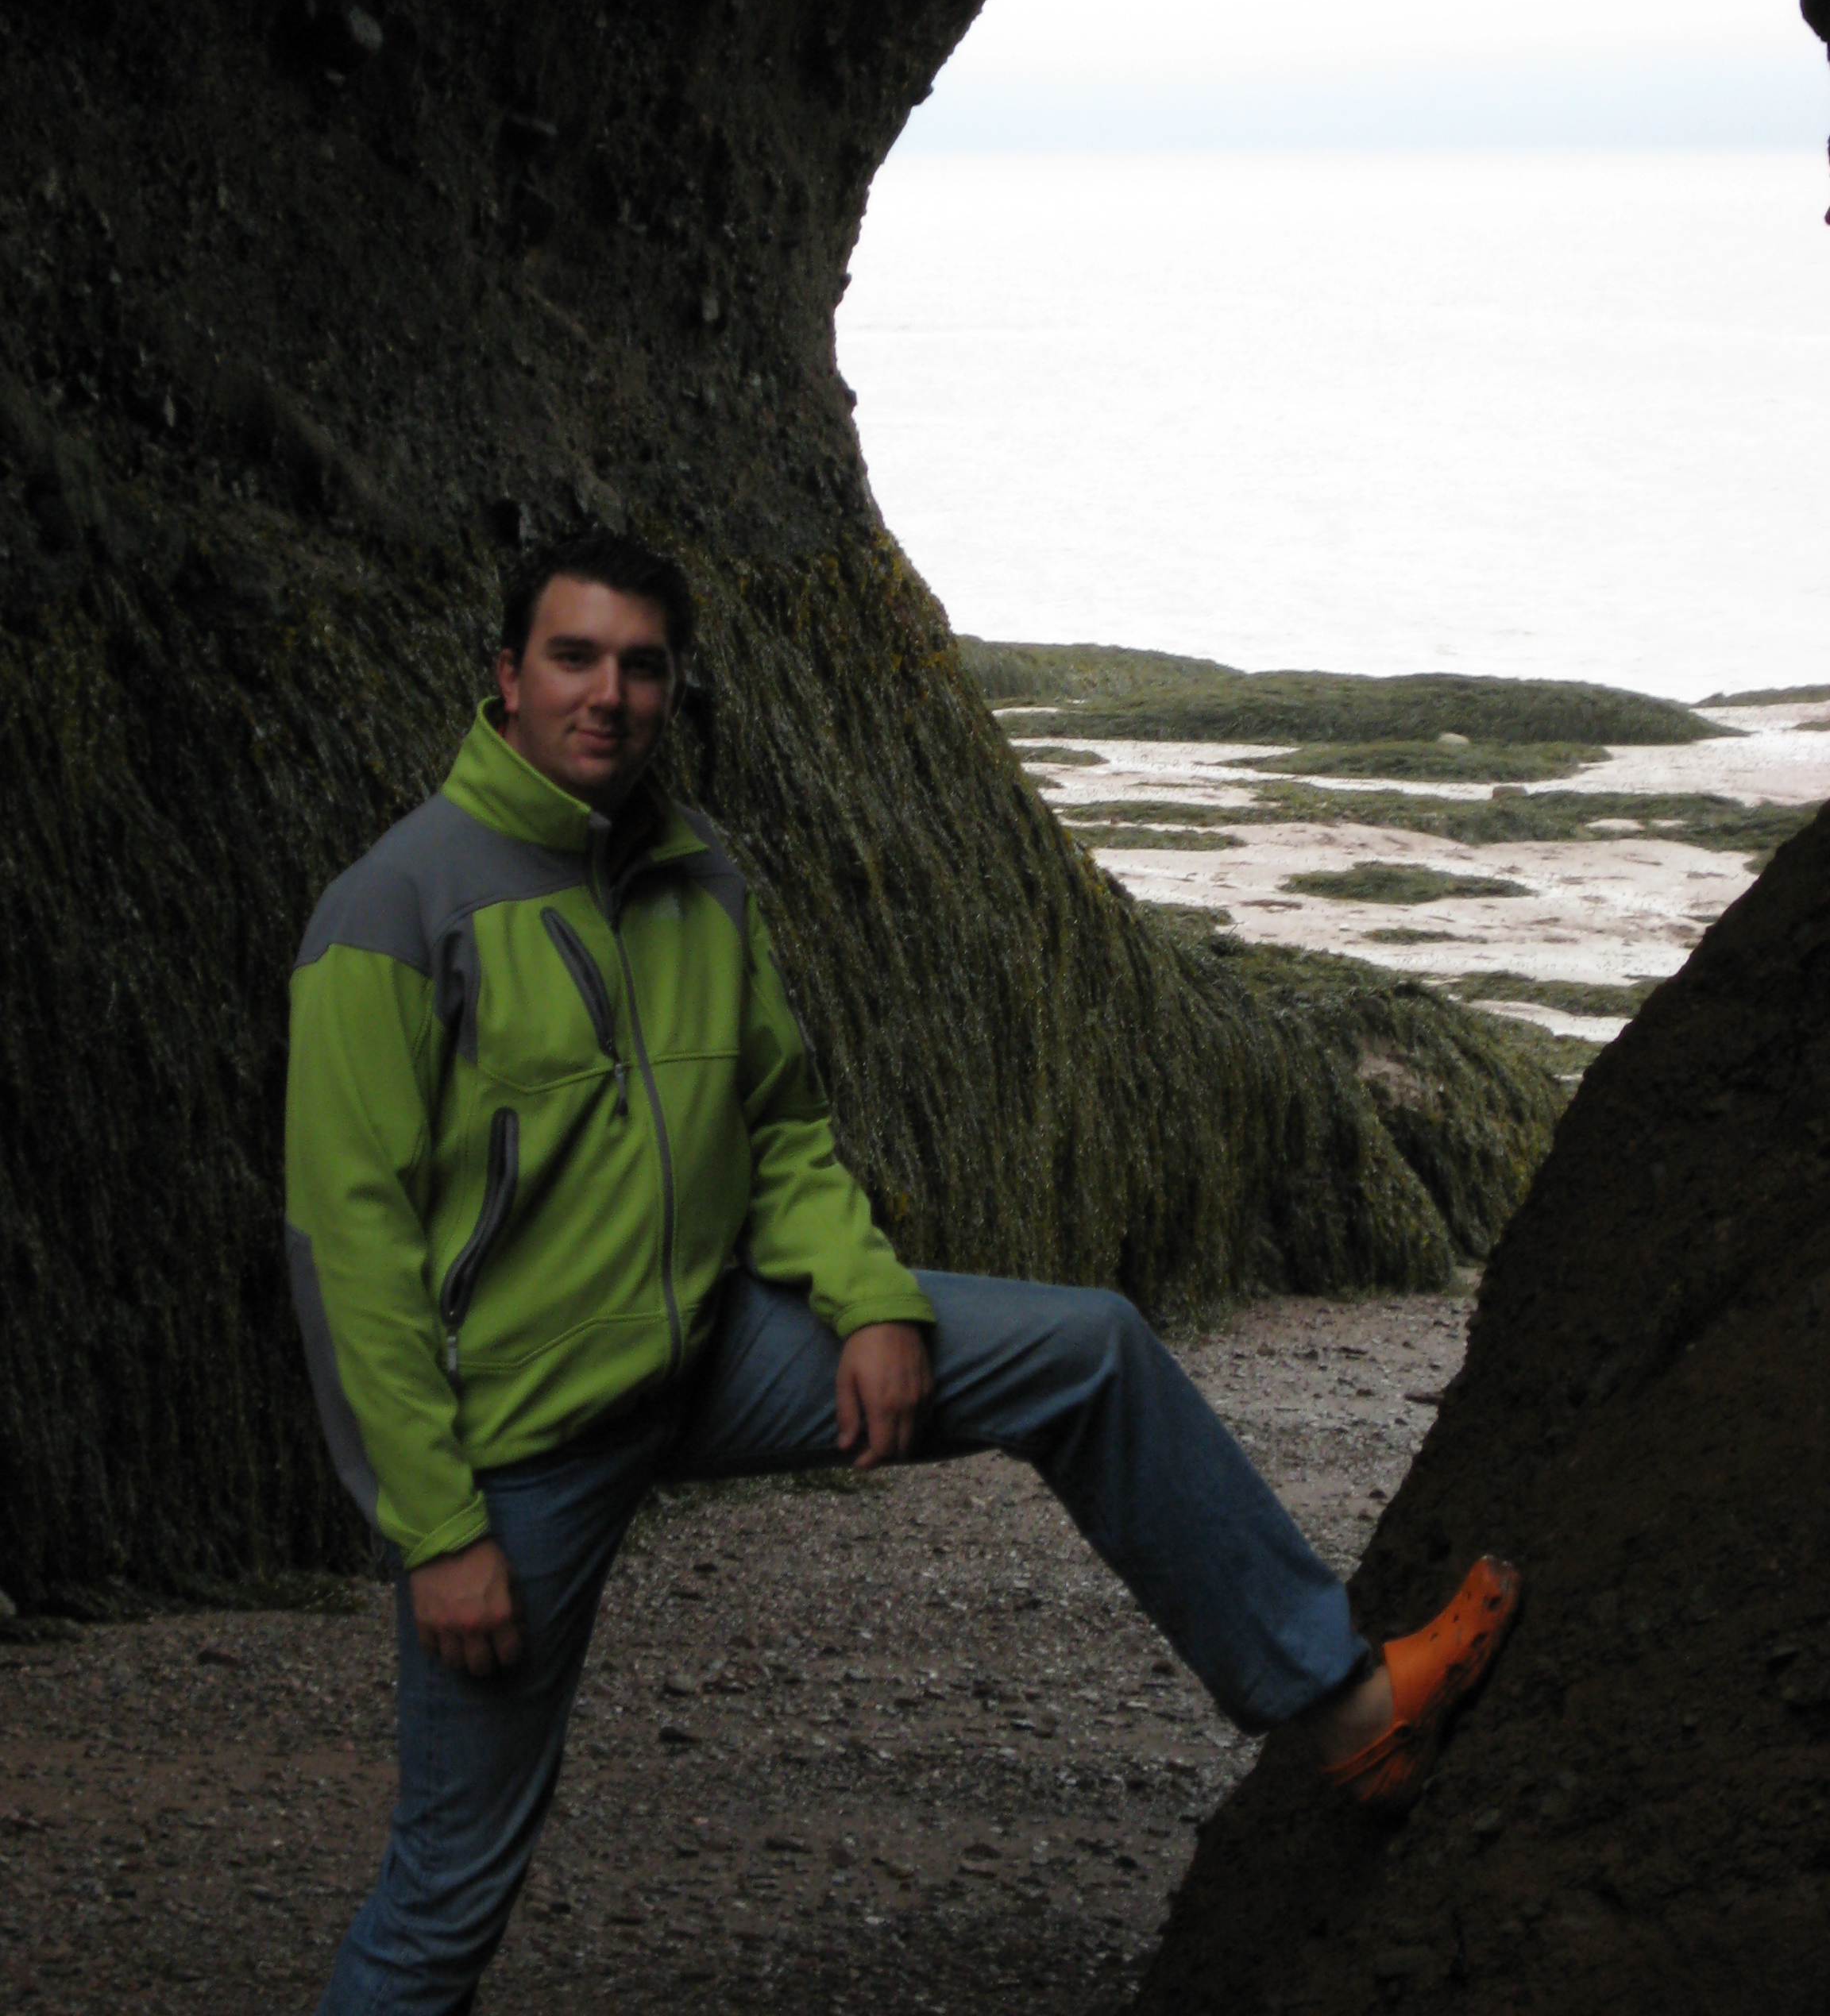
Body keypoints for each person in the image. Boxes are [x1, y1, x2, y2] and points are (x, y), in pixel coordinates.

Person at [285, 526, 1519, 2014]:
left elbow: (780, 1131)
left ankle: (1346, 1711)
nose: (608, 694)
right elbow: (348, 1253)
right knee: (447, 1891)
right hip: (519, 1444)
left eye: (642, 666)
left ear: (672, 688)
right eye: (574, 657)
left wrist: (868, 1303)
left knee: (1090, 1351)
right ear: (505, 676)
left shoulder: (694, 877)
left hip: (712, 1357)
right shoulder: (393, 908)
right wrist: (435, 1531)